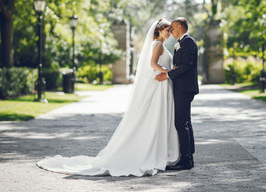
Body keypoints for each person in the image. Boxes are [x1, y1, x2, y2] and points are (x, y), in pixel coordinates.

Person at [37, 19, 179, 177]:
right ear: (158, 31)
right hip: (158, 85)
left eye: (169, 30)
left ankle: (157, 150)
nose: (169, 33)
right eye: (167, 30)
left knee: (156, 118)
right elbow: (153, 64)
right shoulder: (158, 45)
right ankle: (151, 152)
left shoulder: (159, 44)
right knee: (154, 117)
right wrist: (167, 73)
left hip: (161, 85)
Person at [155, 17, 199, 170]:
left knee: (181, 123)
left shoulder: (188, 42)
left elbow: (186, 66)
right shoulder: (179, 43)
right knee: (185, 121)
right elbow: (179, 65)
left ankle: (186, 160)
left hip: (185, 88)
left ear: (180, 27)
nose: (171, 30)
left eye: (173, 27)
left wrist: (167, 75)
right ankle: (189, 156)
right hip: (181, 87)